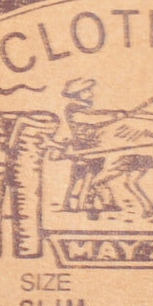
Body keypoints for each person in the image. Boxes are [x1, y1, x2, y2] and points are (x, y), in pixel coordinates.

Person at [60, 78, 125, 214]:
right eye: (86, 90)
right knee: (82, 177)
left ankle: (107, 203)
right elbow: (93, 119)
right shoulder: (73, 109)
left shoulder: (84, 108)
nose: (91, 93)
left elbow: (98, 114)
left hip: (93, 147)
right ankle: (74, 204)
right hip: (84, 148)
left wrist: (115, 114)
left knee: (96, 175)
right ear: (77, 94)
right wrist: (115, 117)